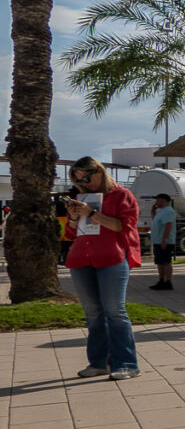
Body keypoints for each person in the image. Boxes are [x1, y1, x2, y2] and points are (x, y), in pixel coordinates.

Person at [63, 156, 143, 381]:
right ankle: (98, 363)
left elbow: (123, 226)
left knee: (115, 312)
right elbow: (71, 234)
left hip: (111, 259)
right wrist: (72, 218)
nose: (85, 183)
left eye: (87, 177)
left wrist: (91, 213)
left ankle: (126, 364)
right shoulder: (82, 198)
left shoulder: (121, 195)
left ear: (100, 171)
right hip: (81, 259)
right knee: (93, 315)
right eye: (79, 180)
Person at [149, 193, 176, 290]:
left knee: (166, 262)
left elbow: (168, 225)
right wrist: (153, 213)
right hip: (158, 240)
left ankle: (168, 282)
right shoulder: (161, 211)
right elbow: (157, 223)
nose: (156, 202)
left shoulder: (168, 211)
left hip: (164, 241)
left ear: (164, 200)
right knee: (160, 262)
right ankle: (161, 280)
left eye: (158, 200)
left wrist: (164, 240)